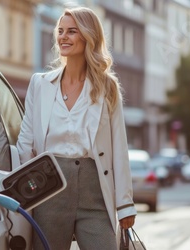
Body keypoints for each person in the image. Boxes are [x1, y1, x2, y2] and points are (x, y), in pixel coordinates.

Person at [16, 6, 136, 250]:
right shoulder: (40, 85)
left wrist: (125, 204)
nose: (63, 37)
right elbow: (25, 142)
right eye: (60, 31)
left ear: (88, 37)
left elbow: (119, 147)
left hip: (95, 193)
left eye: (72, 31)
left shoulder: (106, 87)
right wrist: (21, 192)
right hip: (49, 188)